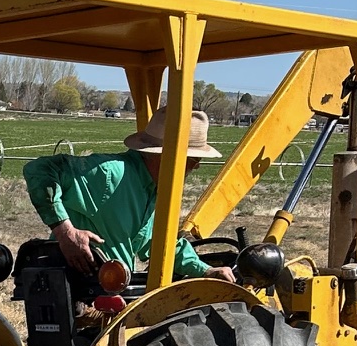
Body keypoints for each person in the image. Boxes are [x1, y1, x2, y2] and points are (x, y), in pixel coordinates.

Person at [21, 108, 236, 284]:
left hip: (108, 295)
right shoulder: (110, 175)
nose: (197, 166)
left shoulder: (151, 190)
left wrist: (206, 270)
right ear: (163, 155)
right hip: (73, 292)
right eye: (192, 159)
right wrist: (65, 231)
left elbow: (158, 243)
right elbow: (39, 170)